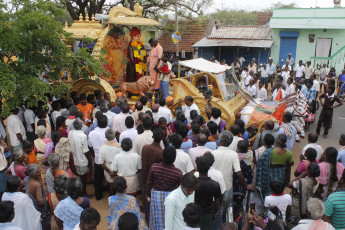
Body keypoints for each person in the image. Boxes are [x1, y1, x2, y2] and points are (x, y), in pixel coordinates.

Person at [212, 131, 253, 218]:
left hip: (214, 186)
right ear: (230, 142)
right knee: (225, 210)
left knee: (215, 209)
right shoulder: (233, 154)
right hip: (228, 187)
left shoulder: (213, 153)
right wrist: (245, 186)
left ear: (220, 140)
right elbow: (238, 172)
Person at [146, 146, 182, 229]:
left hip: (156, 196)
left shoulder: (154, 167)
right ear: (174, 158)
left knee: (156, 218)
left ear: (162, 156)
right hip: (171, 197)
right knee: (169, 217)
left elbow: (148, 182)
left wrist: (147, 194)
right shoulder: (178, 172)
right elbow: (180, 188)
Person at [194, 155, 222, 230]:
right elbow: (217, 202)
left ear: (197, 168)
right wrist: (215, 213)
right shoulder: (215, 184)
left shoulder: (193, 183)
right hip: (208, 214)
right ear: (209, 168)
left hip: (194, 214)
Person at [24, 164, 51, 229]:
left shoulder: (26, 179)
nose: (40, 173)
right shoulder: (37, 185)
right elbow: (41, 202)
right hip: (40, 211)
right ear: (32, 174)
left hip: (32, 207)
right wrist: (47, 196)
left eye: (40, 171)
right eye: (38, 172)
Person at [88, 115, 108, 200]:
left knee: (98, 176)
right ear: (106, 123)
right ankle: (109, 191)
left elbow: (90, 146)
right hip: (108, 158)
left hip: (97, 157)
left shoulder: (92, 133)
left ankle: (98, 194)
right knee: (109, 175)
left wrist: (94, 154)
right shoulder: (109, 131)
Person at [69, 118, 90, 195]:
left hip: (74, 160)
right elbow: (85, 151)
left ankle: (77, 192)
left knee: (77, 178)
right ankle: (83, 192)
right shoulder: (83, 136)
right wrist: (90, 161)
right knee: (83, 179)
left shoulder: (70, 133)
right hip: (82, 161)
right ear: (81, 126)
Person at [99, 128, 121, 195]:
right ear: (114, 136)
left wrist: (110, 172)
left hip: (107, 167)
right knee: (119, 184)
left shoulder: (102, 147)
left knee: (110, 184)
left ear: (105, 136)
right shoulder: (119, 146)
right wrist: (114, 172)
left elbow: (101, 163)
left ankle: (111, 198)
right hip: (117, 168)